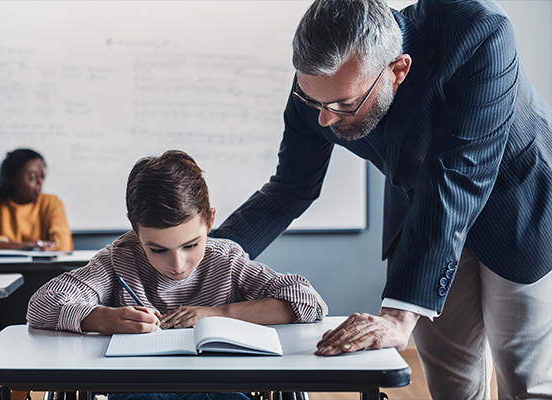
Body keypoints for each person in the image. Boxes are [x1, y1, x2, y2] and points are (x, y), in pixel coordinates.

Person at [211, 0, 552, 399]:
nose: (325, 119)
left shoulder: (480, 32)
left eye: (343, 105)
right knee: (451, 378)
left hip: (516, 205)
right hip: (420, 207)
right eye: (315, 102)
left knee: (526, 380)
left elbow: (455, 176)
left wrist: (398, 313)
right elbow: (290, 188)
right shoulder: (321, 85)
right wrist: (204, 260)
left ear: (397, 69)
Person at [27, 150, 327, 400]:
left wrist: (217, 313)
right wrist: (102, 318)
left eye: (190, 245)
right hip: (142, 389)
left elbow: (308, 302)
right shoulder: (120, 260)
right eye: (157, 249)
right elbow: (41, 305)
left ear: (209, 220)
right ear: (135, 227)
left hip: (220, 388)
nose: (178, 264)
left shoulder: (226, 260)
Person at [0, 148, 73, 252]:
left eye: (42, 177)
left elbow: (64, 244)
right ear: (12, 179)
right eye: (32, 178)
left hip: (45, 268)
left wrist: (3, 243)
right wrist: (26, 246)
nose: (40, 182)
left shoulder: (51, 203)